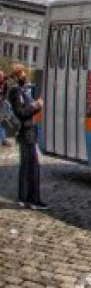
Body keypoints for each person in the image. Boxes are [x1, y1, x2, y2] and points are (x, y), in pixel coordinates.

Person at [7, 64, 47, 210]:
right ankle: (29, 199)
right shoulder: (15, 91)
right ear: (18, 75)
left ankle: (28, 198)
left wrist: (36, 107)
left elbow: (27, 111)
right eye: (23, 74)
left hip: (29, 132)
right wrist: (35, 106)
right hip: (25, 132)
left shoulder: (22, 90)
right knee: (30, 167)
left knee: (30, 166)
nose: (25, 76)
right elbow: (21, 113)